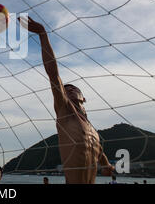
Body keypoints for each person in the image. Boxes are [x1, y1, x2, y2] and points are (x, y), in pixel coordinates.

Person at [19, 16, 114, 184]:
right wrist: (42, 33)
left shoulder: (94, 133)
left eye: (72, 88)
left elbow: (103, 162)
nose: (67, 90)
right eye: (65, 89)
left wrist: (107, 167)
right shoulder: (65, 111)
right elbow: (54, 75)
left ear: (83, 98)